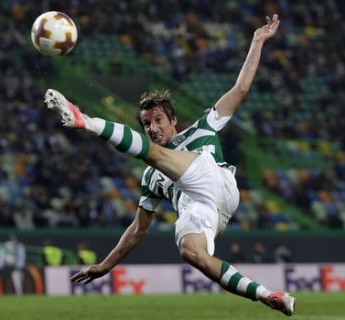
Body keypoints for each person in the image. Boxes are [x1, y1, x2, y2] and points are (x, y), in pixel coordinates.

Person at [46, 14, 295, 315]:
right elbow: (139, 229)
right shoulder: (152, 177)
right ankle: (269, 296)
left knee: (155, 156)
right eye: (146, 123)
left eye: (158, 120)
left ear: (173, 120)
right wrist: (104, 266)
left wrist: (257, 41)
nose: (152, 127)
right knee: (190, 252)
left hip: (216, 180)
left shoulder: (203, 129)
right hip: (202, 210)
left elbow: (240, 89)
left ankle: (86, 121)